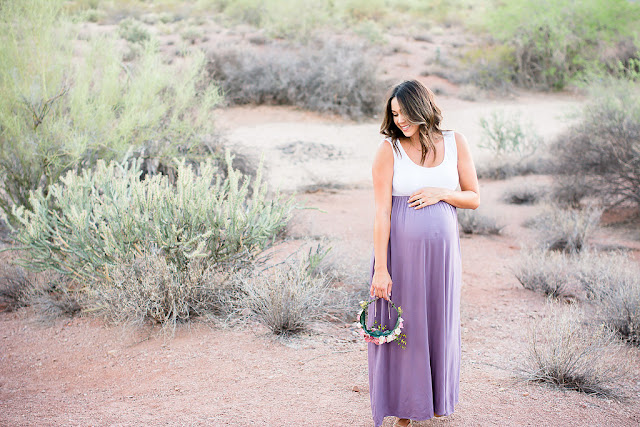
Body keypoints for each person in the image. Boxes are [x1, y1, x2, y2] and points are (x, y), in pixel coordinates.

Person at [368, 80, 479, 427]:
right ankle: (404, 408)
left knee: (438, 323)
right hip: (401, 256)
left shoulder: (455, 141)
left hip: (443, 261)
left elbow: (473, 197)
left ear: (422, 107)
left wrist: (441, 192)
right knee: (406, 327)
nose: (399, 120)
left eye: (404, 112)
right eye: (394, 114)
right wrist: (381, 269)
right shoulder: (390, 150)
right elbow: (382, 213)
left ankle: (432, 401)